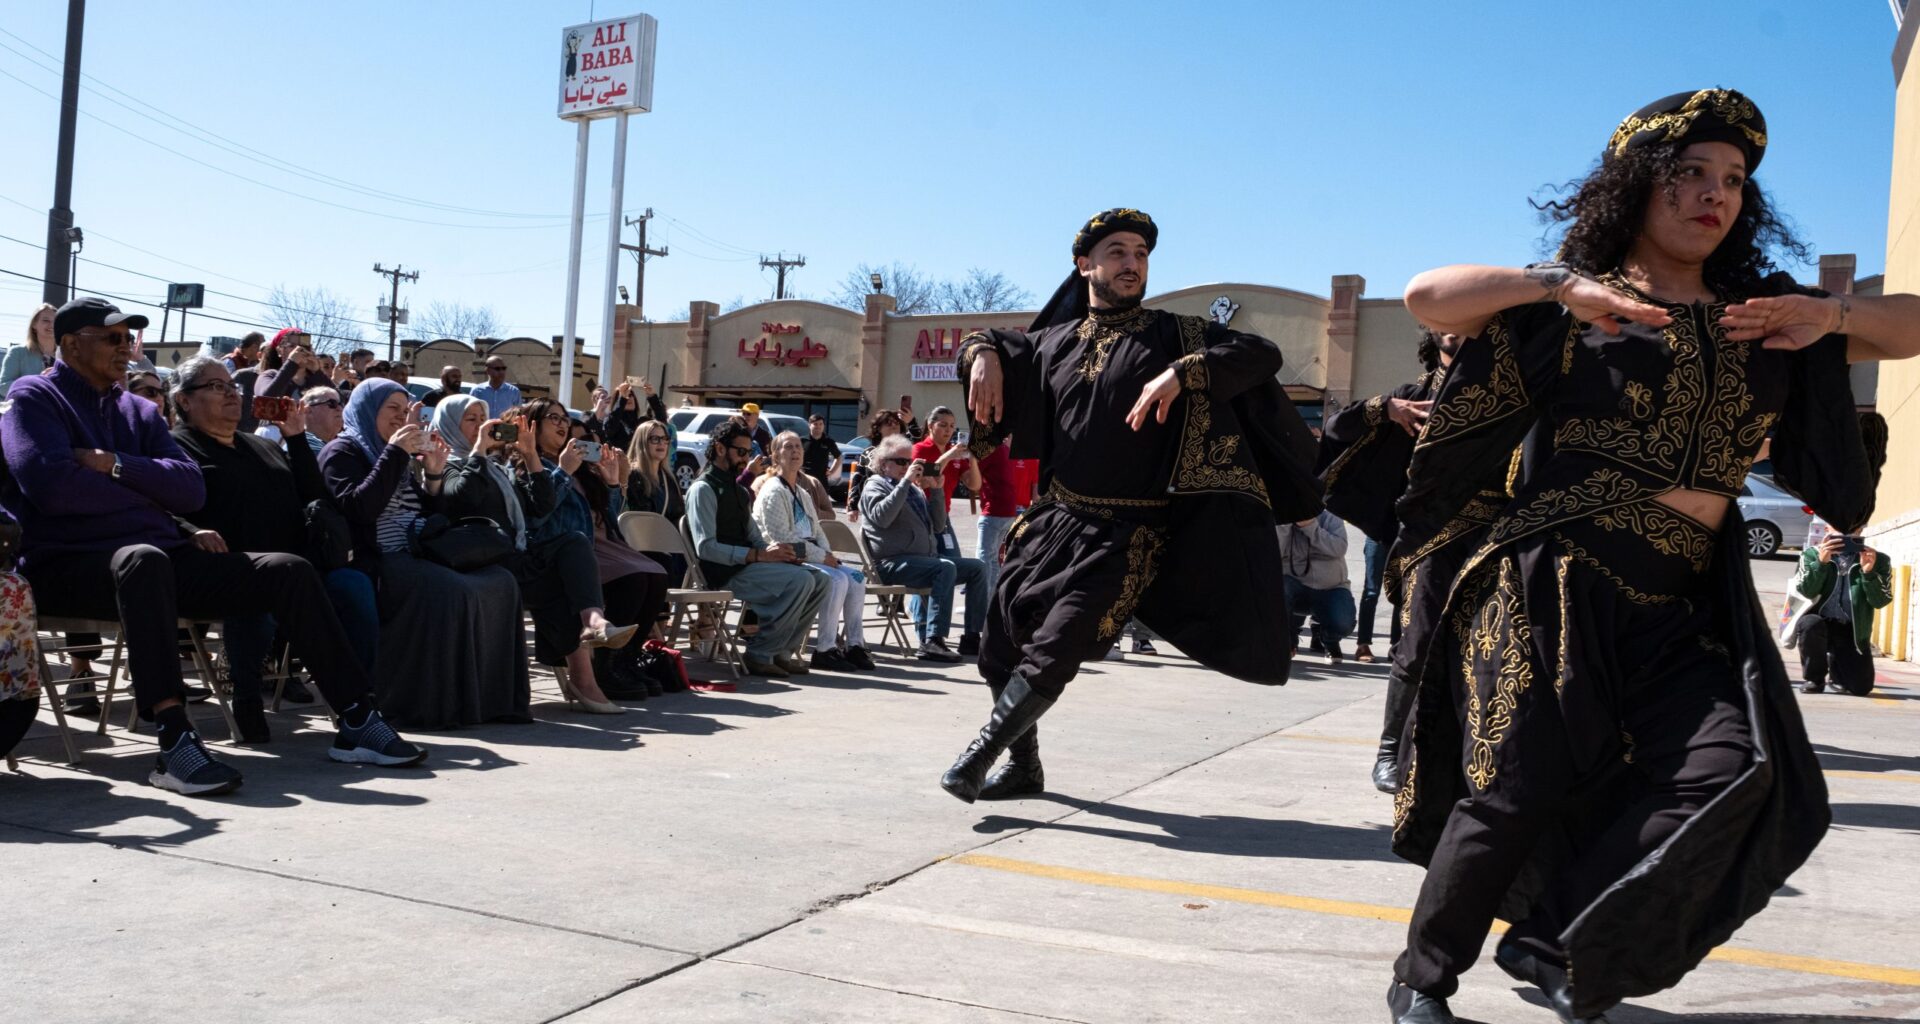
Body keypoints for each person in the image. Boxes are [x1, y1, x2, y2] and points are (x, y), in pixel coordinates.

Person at [1381, 90, 1920, 1024]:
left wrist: (1829, 317)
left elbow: (1910, 326)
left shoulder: (1764, 318)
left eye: (1736, 181)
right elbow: (1428, 294)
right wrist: (1554, 286)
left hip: (1685, 600)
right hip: (1557, 578)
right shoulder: (1575, 302)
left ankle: (1554, 939)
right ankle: (1421, 979)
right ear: (1639, 185)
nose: (1718, 195)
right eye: (1693, 175)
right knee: (1513, 789)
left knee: (1734, 769)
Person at [944, 208, 1319, 805]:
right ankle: (1025, 768)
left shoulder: (1175, 333)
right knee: (997, 650)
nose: (1132, 263)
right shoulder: (1053, 343)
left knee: (1058, 645)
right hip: (1051, 521)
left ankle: (977, 757)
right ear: (1084, 265)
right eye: (1117, 252)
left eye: (1141, 254)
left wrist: (1186, 371)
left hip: (1129, 530)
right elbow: (997, 344)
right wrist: (981, 352)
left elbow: (1262, 352)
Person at [4, 298, 423, 794]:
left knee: (286, 568)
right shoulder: (34, 397)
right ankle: (174, 738)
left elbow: (190, 489)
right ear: (71, 345)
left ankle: (356, 716)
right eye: (111, 337)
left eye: (127, 338)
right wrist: (147, 500)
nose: (125, 347)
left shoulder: (137, 410)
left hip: (159, 561)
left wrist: (114, 465)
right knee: (144, 558)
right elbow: (52, 487)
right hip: (71, 567)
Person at [170, 355, 380, 743]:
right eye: (217, 387)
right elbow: (159, 504)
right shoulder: (176, 447)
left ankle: (361, 701)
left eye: (233, 388)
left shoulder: (261, 446)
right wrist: (190, 530)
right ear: (184, 400)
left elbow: (314, 497)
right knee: (264, 590)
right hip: (229, 567)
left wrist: (297, 438)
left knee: (353, 586)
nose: (232, 395)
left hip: (297, 565)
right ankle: (247, 699)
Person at [320, 377, 531, 729]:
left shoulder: (394, 453)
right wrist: (394, 454)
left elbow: (425, 512)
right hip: (379, 558)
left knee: (501, 581)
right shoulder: (342, 452)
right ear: (367, 409)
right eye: (392, 409)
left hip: (417, 548)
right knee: (452, 590)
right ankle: (436, 707)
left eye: (405, 411)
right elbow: (359, 509)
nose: (400, 417)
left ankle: (493, 702)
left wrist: (432, 476)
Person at [1316, 330, 1459, 792]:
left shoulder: (1506, 390)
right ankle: (1390, 748)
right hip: (1424, 539)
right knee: (1415, 645)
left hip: (1496, 536)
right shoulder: (1409, 396)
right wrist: (1384, 410)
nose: (1455, 326)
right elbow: (1337, 431)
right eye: (1445, 319)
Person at [435, 396, 642, 712]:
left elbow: (564, 510)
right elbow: (468, 498)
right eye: (470, 419)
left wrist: (610, 483)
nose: (481, 426)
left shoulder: (502, 466)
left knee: (598, 562)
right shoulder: (448, 464)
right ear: (450, 424)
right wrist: (484, 450)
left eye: (483, 417)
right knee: (585, 569)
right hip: (492, 558)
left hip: (536, 555)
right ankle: (592, 672)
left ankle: (592, 645)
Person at [685, 418, 830, 678]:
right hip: (723, 572)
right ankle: (760, 653)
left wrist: (776, 555)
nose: (746, 459)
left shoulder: (738, 491)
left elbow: (755, 537)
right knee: (801, 582)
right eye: (740, 452)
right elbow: (706, 548)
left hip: (747, 564)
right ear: (720, 449)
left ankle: (782, 653)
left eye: (748, 452)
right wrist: (757, 555)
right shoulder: (703, 489)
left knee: (820, 580)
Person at [859, 434, 991, 663]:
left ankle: (971, 636)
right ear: (883, 463)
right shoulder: (874, 486)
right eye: (900, 462)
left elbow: (939, 526)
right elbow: (882, 517)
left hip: (922, 561)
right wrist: (905, 482)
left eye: (909, 462)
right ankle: (933, 641)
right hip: (891, 563)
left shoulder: (914, 490)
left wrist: (937, 491)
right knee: (945, 568)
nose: (906, 467)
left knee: (978, 567)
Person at [754, 431, 873, 671]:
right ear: (776, 455)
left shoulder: (802, 492)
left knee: (857, 578)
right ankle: (825, 649)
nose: (795, 451)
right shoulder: (773, 490)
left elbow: (817, 530)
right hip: (787, 557)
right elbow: (782, 538)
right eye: (788, 447)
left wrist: (829, 556)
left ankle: (854, 645)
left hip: (813, 554)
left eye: (798, 446)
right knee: (837, 580)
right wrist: (822, 557)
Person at [1790, 532, 1892, 696]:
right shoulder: (1811, 554)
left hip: (1851, 630)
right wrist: (1821, 563)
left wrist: (1869, 573)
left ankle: (1836, 671)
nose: (1844, 533)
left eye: (1851, 528)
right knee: (1810, 625)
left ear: (1859, 530)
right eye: (1837, 527)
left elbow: (1880, 601)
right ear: (1827, 528)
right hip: (1819, 622)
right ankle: (1814, 678)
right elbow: (1806, 592)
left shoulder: (1879, 559)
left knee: (1861, 688)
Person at [1277, 509, 1356, 663]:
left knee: (1343, 623)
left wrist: (1310, 526)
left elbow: (1339, 547)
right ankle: (1287, 640)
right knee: (1278, 589)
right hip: (1295, 586)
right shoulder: (1280, 514)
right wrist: (1285, 524)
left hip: (1330, 587)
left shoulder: (1329, 514)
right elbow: (1273, 551)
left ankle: (1329, 640)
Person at [624, 418, 687, 584]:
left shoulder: (669, 478)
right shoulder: (632, 476)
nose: (662, 443)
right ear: (642, 442)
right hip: (641, 548)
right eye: (655, 439)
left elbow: (679, 515)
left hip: (669, 548)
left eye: (665, 439)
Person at [973, 438, 1019, 601]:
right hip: (1007, 511)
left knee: (984, 559)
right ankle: (991, 602)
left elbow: (972, 475)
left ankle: (981, 603)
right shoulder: (1004, 449)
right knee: (992, 560)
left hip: (994, 511)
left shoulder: (991, 450)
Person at [843, 408, 909, 521]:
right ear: (878, 428)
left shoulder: (907, 451)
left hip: (904, 504)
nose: (894, 426)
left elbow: (919, 440)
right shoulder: (868, 453)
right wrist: (852, 506)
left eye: (897, 423)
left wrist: (911, 421)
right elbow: (858, 479)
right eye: (888, 423)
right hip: (875, 503)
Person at [1, 302, 57, 397]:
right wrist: (37, 383)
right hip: (26, 409)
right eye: (46, 320)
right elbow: (3, 387)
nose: (51, 325)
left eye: (55, 321)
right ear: (34, 325)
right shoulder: (18, 352)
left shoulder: (66, 355)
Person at [296, 385, 346, 455]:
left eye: (341, 404)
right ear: (308, 411)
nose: (340, 409)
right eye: (332, 403)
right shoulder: (301, 445)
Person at [801, 414, 841, 484]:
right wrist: (799, 469)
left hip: (821, 480)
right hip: (805, 478)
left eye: (820, 424)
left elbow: (838, 457)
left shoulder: (828, 441)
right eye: (815, 424)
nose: (818, 426)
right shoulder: (802, 441)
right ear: (809, 425)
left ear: (823, 426)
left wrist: (831, 471)